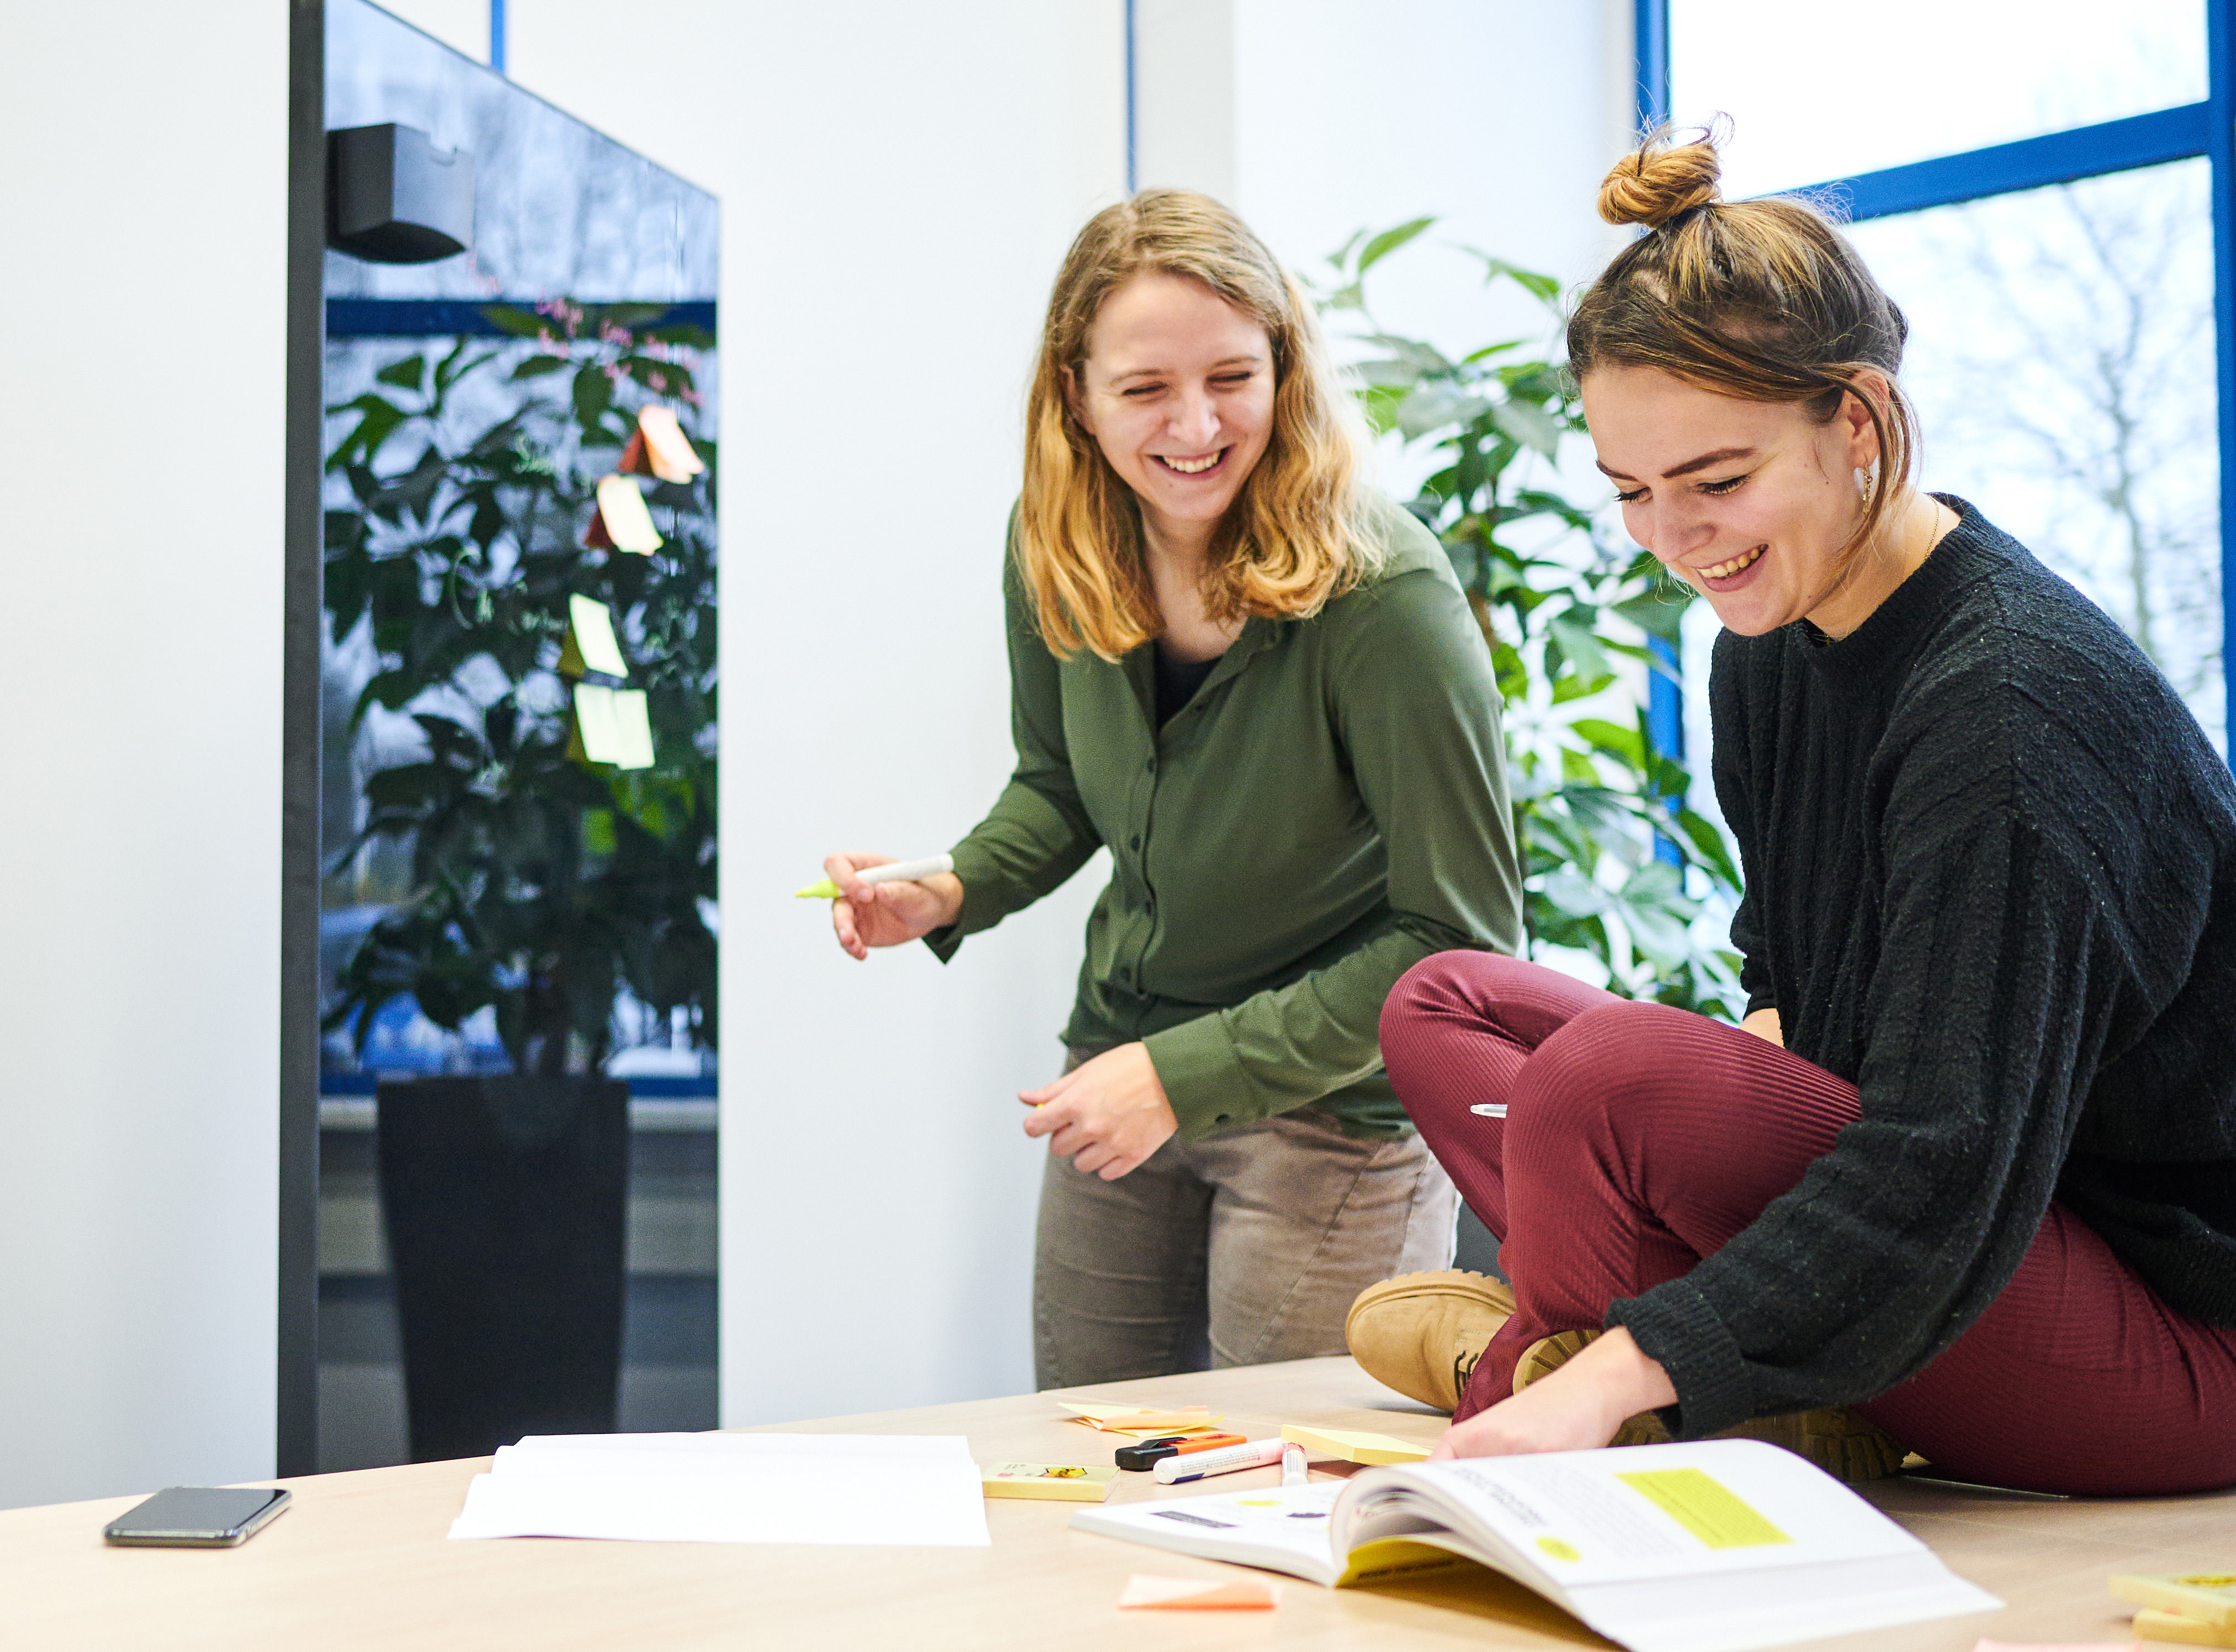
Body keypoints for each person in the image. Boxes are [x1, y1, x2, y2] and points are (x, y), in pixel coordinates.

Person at [1350, 132, 2236, 1496]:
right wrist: (1689, 1143)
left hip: (2165, 1325)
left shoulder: (2009, 709)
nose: (1672, 537)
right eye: (1631, 491)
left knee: (1609, 1076)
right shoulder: (1763, 649)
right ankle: (1726, 1378)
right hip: (1952, 1229)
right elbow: (1785, 992)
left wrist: (1615, 1361)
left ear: (1858, 424)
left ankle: (1560, 1363)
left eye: (1715, 481)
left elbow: (1944, 1162)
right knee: (1445, 1003)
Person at [822, 190, 1522, 1387]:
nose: (1194, 426)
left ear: (1284, 367)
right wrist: (950, 888)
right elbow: (1059, 782)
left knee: (1291, 1469)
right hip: (1119, 1070)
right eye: (1144, 387)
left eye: (1231, 377)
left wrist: (1179, 1075)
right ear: (1075, 394)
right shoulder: (1053, 540)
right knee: (1081, 1456)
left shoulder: (1385, 595)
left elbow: (1460, 946)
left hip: (1330, 1114)